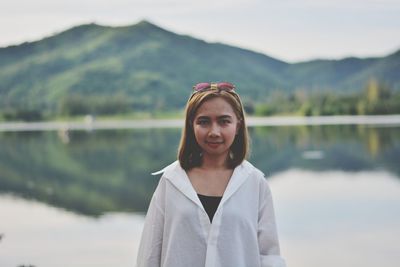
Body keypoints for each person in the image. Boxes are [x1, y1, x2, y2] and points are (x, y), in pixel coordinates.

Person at [136, 82, 286, 267]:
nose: (214, 132)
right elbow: (150, 254)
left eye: (224, 121)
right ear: (192, 125)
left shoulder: (255, 182)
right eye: (204, 121)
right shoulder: (171, 180)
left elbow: (269, 256)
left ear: (238, 125)